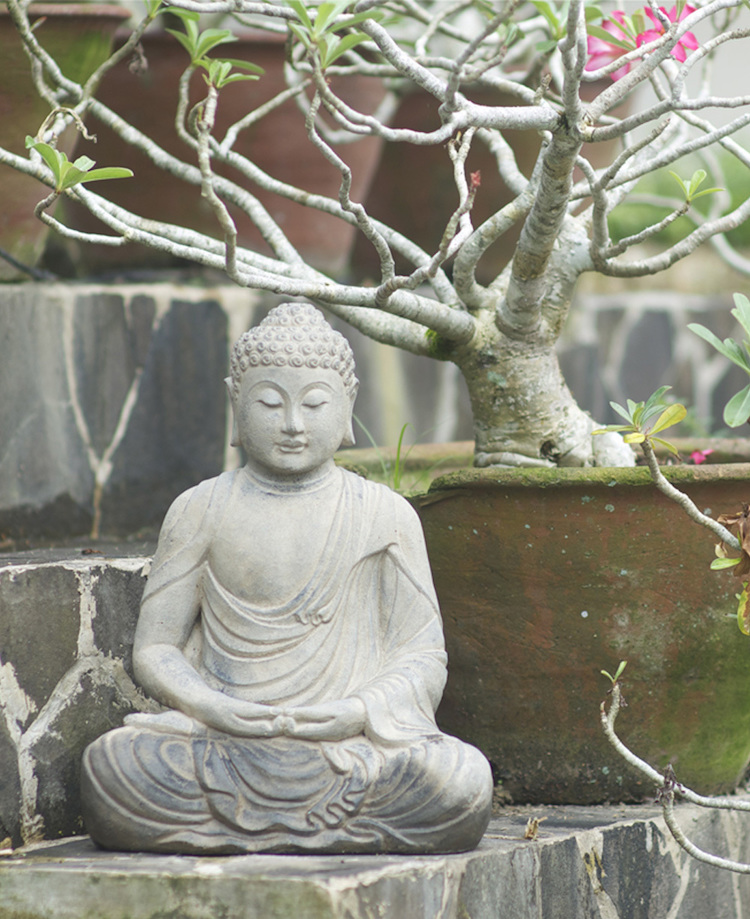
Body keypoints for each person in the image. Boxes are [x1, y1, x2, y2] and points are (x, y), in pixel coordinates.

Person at [81, 303, 493, 855]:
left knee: (461, 782)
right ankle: (331, 833)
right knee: (110, 767)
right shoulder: (200, 508)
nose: (293, 424)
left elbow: (421, 656)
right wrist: (212, 706)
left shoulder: (384, 514)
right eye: (270, 404)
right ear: (236, 403)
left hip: (345, 750)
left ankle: (242, 831)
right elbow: (156, 648)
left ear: (347, 407)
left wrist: (355, 710)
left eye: (315, 404)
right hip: (225, 744)